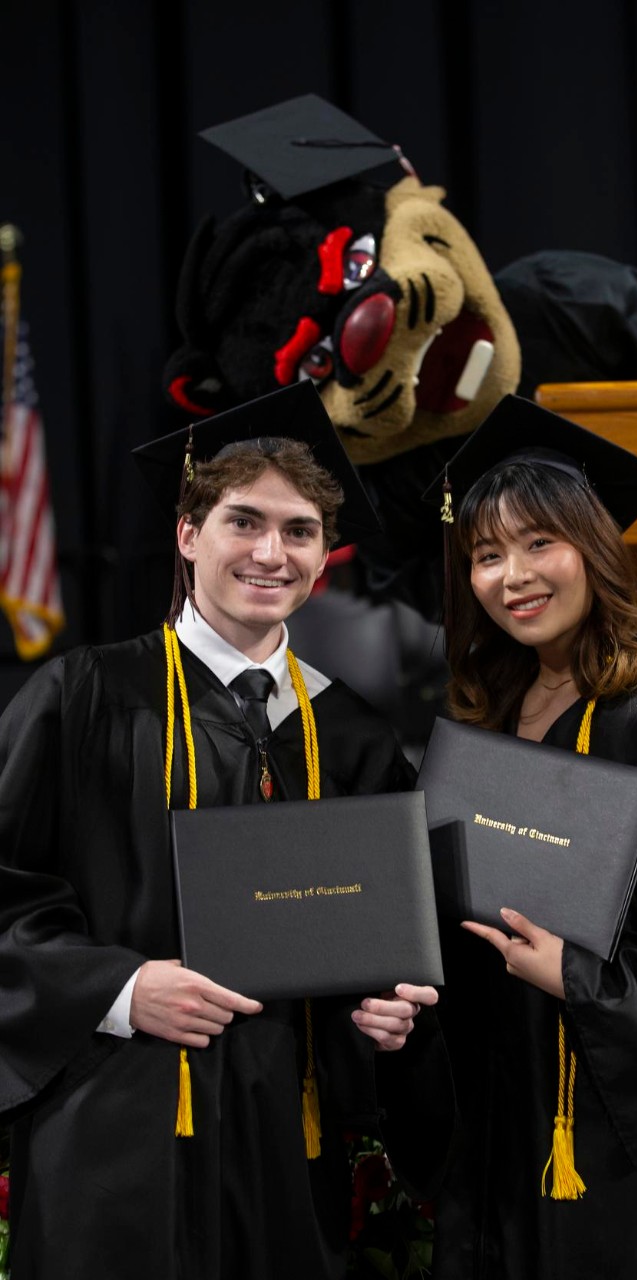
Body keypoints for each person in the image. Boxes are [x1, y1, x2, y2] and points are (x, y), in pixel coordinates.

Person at [0, 381, 452, 1280]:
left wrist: (393, 1007)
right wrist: (120, 989)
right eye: (244, 522)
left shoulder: (356, 736)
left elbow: (392, 932)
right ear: (187, 535)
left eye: (299, 532)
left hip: (291, 1136)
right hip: (114, 1125)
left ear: (325, 557)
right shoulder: (84, 699)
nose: (270, 553)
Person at [427, 395, 637, 1279]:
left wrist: (575, 977)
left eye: (539, 543)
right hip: (499, 1093)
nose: (512, 575)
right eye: (486, 554)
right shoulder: (479, 721)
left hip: (614, 1117)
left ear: (593, 551)